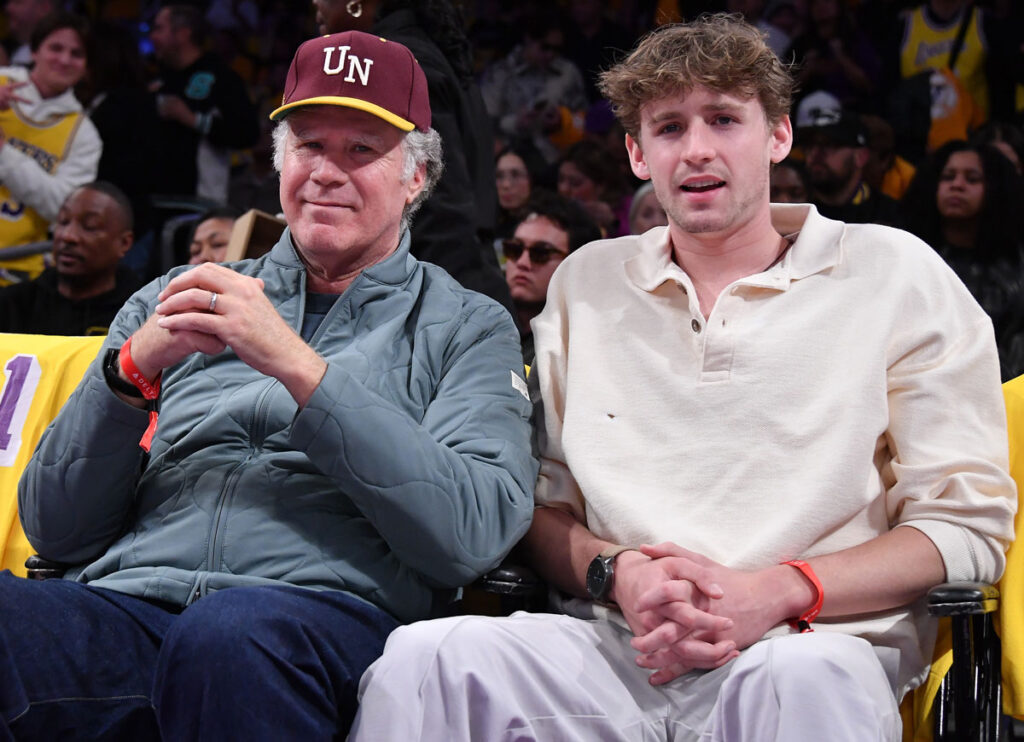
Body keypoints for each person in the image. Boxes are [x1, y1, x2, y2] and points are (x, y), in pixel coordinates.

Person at [350, 15, 1016, 741]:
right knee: (425, 660)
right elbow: (539, 510)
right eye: (668, 129)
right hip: (610, 646)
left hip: (808, 646)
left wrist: (777, 592)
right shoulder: (586, 282)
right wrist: (619, 575)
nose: (697, 150)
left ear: (779, 136)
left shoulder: (895, 271)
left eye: (725, 120)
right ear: (637, 153)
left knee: (811, 681)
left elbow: (964, 528)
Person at [0, 29, 536, 739]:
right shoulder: (172, 297)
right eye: (310, 145)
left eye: (361, 151)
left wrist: (301, 367)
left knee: (230, 636)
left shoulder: (469, 322)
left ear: (416, 179)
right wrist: (128, 373)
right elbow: (58, 529)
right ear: (282, 161)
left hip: (319, 623)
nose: (326, 172)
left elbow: (472, 534)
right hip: (129, 608)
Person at [312, 0, 513, 311]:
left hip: (441, 289)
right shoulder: (424, 51)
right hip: (458, 280)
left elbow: (438, 205)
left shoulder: (395, 61)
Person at [901, 139, 1024, 381]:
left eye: (972, 178)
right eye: (948, 177)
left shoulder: (1017, 263)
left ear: (996, 189)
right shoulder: (909, 256)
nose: (957, 185)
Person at [0, 12, 101, 284]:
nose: (64, 60)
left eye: (76, 53)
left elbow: (62, 207)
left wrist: (4, 153)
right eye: (55, 48)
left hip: (19, 273)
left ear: (86, 67)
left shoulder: (84, 134)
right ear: (34, 51)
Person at [148, 4, 259, 203]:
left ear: (182, 34)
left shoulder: (222, 77)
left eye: (159, 29)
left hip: (200, 200)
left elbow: (248, 133)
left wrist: (192, 119)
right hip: (156, 195)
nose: (152, 37)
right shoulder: (159, 75)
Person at [0, 181, 141, 335]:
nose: (68, 236)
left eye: (90, 226)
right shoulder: (13, 306)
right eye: (63, 221)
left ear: (124, 243)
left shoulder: (143, 316)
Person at [501, 192, 600, 364]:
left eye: (541, 253)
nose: (523, 263)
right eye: (514, 249)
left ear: (574, 264)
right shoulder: (482, 324)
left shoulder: (581, 348)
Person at [798, 101, 900, 225]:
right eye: (810, 145)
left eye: (829, 144)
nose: (815, 153)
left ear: (861, 157)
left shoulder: (888, 216)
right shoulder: (795, 208)